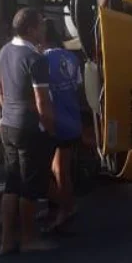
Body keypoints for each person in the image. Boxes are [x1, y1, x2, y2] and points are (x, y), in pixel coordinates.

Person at [0, 7, 57, 254]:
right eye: (40, 24)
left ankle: (7, 241)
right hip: (29, 128)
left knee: (12, 184)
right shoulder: (36, 60)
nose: (43, 29)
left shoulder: (5, 50)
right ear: (30, 29)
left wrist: (7, 107)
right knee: (29, 187)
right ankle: (29, 239)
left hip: (8, 125)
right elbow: (43, 103)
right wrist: (50, 129)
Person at [41, 21, 83, 234]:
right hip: (71, 119)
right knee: (60, 168)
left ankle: (66, 208)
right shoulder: (71, 57)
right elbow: (76, 86)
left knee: (57, 170)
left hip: (53, 121)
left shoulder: (42, 60)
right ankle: (60, 206)